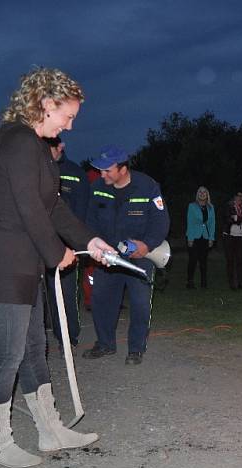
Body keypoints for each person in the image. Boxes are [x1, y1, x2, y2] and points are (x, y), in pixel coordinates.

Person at [0, 68, 115, 468]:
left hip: (25, 262)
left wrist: (89, 241)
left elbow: (54, 207)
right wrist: (55, 252)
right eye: (68, 115)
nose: (71, 124)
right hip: (6, 262)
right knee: (8, 355)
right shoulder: (17, 141)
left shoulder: (37, 146)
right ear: (47, 104)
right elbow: (29, 206)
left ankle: (50, 430)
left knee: (33, 350)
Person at [82, 145, 169, 365]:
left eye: (107, 170)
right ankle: (105, 344)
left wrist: (147, 245)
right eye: (100, 170)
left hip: (138, 256)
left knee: (140, 304)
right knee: (101, 300)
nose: (102, 174)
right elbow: (90, 221)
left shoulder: (148, 186)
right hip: (108, 257)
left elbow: (161, 222)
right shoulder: (98, 187)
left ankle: (136, 349)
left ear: (123, 169)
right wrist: (97, 247)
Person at [43, 136, 90, 351]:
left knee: (68, 291)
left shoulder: (76, 173)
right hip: (42, 241)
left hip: (68, 244)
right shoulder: (40, 170)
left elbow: (81, 212)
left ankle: (70, 335)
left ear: (60, 147)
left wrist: (78, 243)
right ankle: (57, 333)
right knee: (50, 291)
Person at [185, 186, 215, 289]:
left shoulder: (211, 207)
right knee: (193, 260)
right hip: (194, 237)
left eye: (204, 192)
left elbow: (212, 223)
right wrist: (190, 238)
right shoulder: (192, 206)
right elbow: (190, 222)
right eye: (200, 192)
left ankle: (203, 282)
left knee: (203, 261)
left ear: (207, 195)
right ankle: (190, 282)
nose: (202, 194)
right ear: (198, 194)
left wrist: (211, 238)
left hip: (205, 236)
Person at [221, 191, 242, 290]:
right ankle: (232, 283)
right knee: (230, 260)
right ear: (234, 197)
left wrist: (237, 218)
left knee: (240, 259)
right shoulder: (228, 206)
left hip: (241, 236)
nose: (240, 198)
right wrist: (241, 218)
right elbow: (228, 219)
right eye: (238, 196)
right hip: (229, 235)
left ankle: (240, 282)